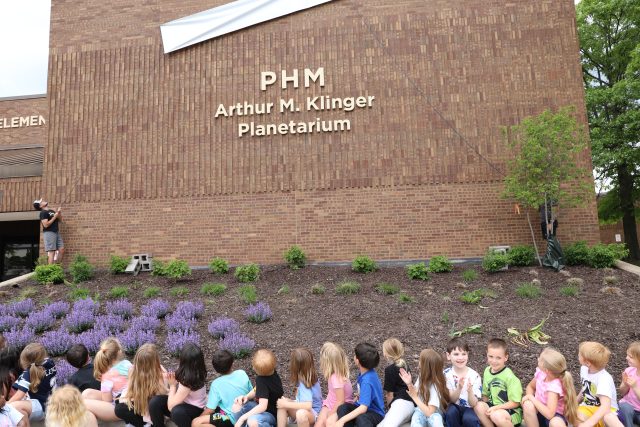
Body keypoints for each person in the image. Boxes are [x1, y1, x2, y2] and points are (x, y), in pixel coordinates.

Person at [148, 343, 207, 427]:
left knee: (176, 412)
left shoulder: (188, 381)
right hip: (184, 403)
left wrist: (172, 386)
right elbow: (174, 375)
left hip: (194, 412)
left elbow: (171, 407)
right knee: (155, 402)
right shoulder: (195, 371)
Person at [328, 342, 385, 427]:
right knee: (343, 408)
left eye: (355, 355)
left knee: (362, 418)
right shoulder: (366, 372)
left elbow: (363, 408)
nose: (354, 357)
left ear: (357, 361)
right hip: (365, 408)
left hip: (375, 413)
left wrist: (342, 420)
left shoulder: (367, 381)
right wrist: (358, 397)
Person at [191, 349, 253, 427]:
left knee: (195, 423)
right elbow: (251, 393)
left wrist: (200, 417)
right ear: (232, 364)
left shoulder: (216, 384)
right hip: (249, 413)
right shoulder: (242, 373)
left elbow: (210, 409)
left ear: (215, 369)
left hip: (229, 418)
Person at [521, 348, 578, 427]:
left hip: (553, 417)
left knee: (556, 423)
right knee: (528, 405)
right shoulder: (541, 374)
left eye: (540, 359)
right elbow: (530, 387)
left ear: (546, 370)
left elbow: (550, 414)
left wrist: (531, 398)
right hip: (539, 413)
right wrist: (529, 397)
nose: (538, 359)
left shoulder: (554, 387)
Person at [114, 343, 168, 427]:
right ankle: (144, 424)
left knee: (121, 408)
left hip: (151, 410)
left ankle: (146, 423)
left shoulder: (161, 373)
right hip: (140, 404)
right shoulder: (132, 370)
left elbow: (160, 398)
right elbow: (130, 392)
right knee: (119, 404)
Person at [474, 338, 522, 427]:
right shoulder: (487, 371)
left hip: (511, 411)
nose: (494, 361)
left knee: (496, 415)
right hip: (494, 406)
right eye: (491, 356)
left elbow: (515, 403)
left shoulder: (510, 377)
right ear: (487, 354)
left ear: (506, 357)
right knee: (478, 406)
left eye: (498, 358)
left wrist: (495, 408)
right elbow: (485, 395)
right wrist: (488, 409)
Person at [83, 337, 132, 422]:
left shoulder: (106, 377)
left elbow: (107, 400)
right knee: (87, 393)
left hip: (122, 408)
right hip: (130, 399)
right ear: (119, 352)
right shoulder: (127, 364)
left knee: (83, 404)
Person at [399, 348, 450, 427]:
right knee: (416, 420)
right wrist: (409, 383)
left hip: (434, 413)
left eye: (420, 360)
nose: (418, 362)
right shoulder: (422, 376)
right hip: (420, 410)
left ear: (426, 366)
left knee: (437, 421)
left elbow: (430, 412)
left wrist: (415, 397)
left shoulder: (435, 386)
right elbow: (415, 392)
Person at [577, 342, 623, 427]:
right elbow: (586, 387)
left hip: (606, 411)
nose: (578, 355)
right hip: (588, 407)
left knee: (609, 418)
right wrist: (575, 401)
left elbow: (605, 407)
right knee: (575, 417)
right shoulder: (584, 369)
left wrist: (589, 423)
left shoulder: (604, 379)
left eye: (579, 354)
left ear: (588, 363)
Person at [234, 348, 284, 427]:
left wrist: (242, 418)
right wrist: (247, 396)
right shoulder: (272, 372)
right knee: (237, 405)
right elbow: (258, 389)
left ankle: (242, 423)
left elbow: (262, 406)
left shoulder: (261, 380)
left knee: (253, 421)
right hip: (270, 411)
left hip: (271, 416)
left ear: (254, 368)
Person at [8, 342, 57, 423]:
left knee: (13, 406)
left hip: (44, 407)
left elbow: (19, 395)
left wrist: (5, 406)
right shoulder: (50, 362)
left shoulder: (28, 373)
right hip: (55, 401)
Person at [277, 348, 322, 427]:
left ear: (295, 366)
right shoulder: (308, 375)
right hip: (307, 410)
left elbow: (308, 406)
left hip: (313, 414)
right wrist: (286, 403)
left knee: (299, 413)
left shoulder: (304, 383)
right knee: (283, 404)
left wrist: (286, 404)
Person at [444, 338, 482, 427]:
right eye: (456, 354)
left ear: (467, 355)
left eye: (463, 354)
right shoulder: (446, 374)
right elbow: (452, 400)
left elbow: (473, 404)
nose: (460, 358)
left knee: (469, 419)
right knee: (450, 413)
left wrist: (470, 392)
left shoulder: (474, 376)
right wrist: (459, 388)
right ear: (448, 355)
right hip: (454, 406)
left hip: (469, 408)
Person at [378, 338, 415, 427]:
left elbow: (389, 394)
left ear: (385, 354)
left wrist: (389, 408)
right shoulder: (404, 364)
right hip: (411, 404)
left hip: (400, 403)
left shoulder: (390, 370)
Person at [316, 342, 354, 427]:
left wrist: (330, 413)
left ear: (327, 362)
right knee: (319, 424)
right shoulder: (335, 374)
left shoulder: (336, 378)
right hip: (330, 402)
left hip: (341, 406)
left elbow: (340, 401)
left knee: (328, 422)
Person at [33, 198, 64, 264]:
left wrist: (59, 213)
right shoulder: (43, 213)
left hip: (56, 232)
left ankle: (57, 267)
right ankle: (51, 270)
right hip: (49, 233)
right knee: (51, 251)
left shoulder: (51, 211)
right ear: (40, 206)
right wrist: (54, 217)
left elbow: (61, 220)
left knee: (61, 250)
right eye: (41, 202)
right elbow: (46, 225)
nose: (43, 201)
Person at [619, 342, 640, 427]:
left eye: (631, 357)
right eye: (627, 355)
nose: (626, 358)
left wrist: (635, 387)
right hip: (628, 408)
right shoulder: (629, 371)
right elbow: (622, 393)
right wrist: (625, 384)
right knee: (624, 407)